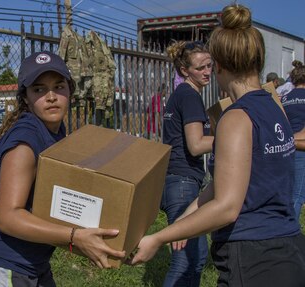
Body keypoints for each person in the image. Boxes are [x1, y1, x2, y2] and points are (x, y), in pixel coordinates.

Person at [129, 4, 305, 286]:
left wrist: (159, 237)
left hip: (252, 256)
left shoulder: (236, 118)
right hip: (289, 247)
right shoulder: (276, 108)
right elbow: (221, 186)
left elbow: (227, 206)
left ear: (219, 65)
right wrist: (182, 224)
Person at [0, 51, 125, 286]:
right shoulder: (25, 141)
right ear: (26, 98)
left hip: (33, 264)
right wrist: (75, 238)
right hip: (1, 265)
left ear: (70, 90)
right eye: (39, 89)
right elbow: (8, 218)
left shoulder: (55, 132)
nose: (51, 96)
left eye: (59, 86)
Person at [156, 40, 214, 287]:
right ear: (184, 70)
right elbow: (196, 145)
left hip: (177, 181)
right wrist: (233, 137)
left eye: (210, 66)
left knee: (196, 257)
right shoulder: (190, 96)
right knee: (186, 260)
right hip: (182, 184)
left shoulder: (180, 94)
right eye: (201, 67)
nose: (207, 72)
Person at [281, 62, 305, 219]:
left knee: (288, 192)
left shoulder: (283, 98)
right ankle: (291, 228)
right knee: (298, 195)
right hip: (302, 149)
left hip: (286, 148)